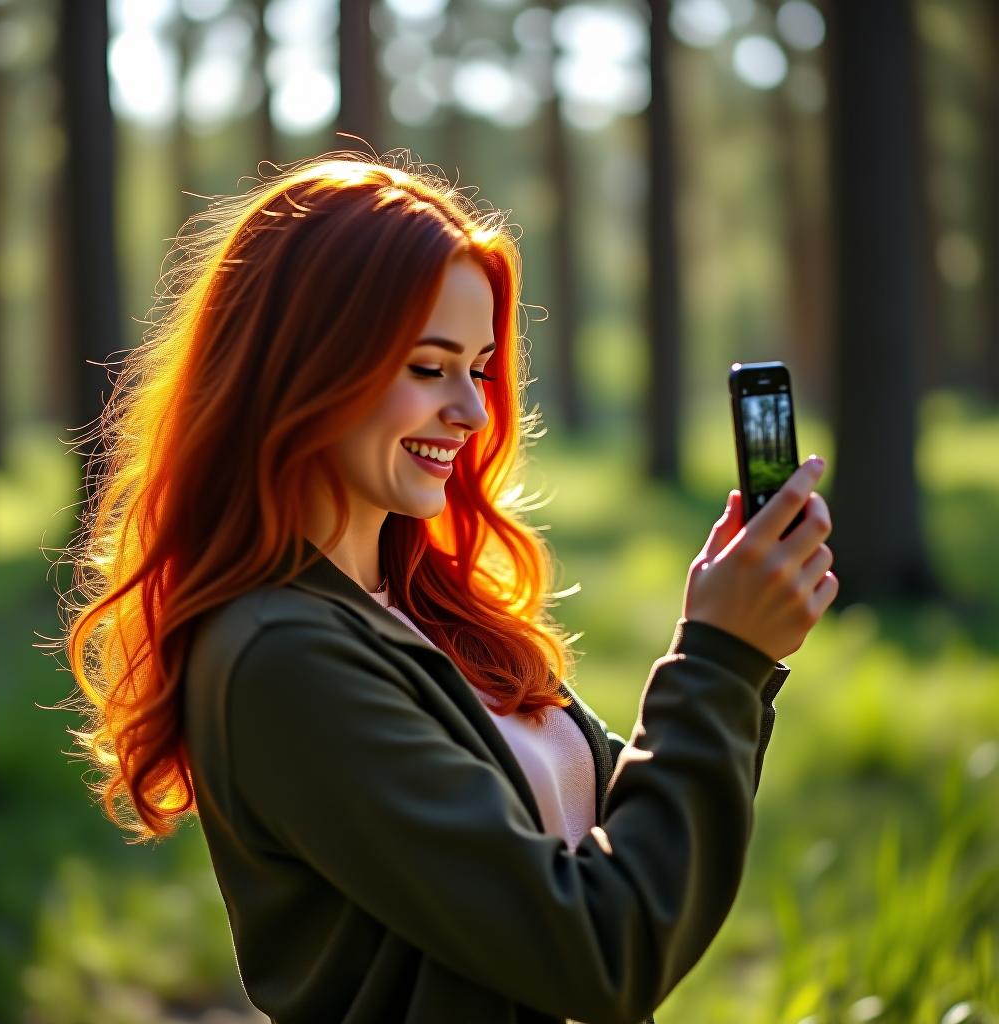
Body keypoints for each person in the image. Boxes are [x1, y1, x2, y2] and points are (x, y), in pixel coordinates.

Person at [51, 151, 837, 1024]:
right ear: (301, 368)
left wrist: (733, 644)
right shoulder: (280, 656)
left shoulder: (418, 607)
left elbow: (632, 844)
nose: (471, 410)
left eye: (481, 367)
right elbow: (601, 953)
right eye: (429, 367)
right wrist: (720, 661)